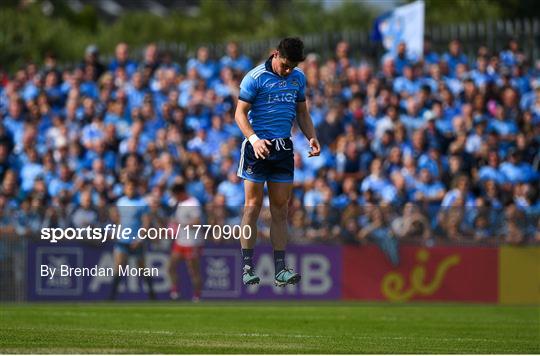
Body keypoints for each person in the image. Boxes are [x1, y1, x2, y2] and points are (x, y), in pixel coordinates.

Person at [235, 37, 320, 286]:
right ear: (275, 55)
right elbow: (239, 113)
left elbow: (302, 113)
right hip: (257, 148)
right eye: (285, 65)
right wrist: (253, 139)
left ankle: (280, 270)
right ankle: (247, 267)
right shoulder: (255, 77)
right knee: (252, 206)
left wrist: (312, 137)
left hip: (283, 148)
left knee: (280, 210)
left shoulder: (297, 77)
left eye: (292, 66)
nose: (287, 70)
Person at [109, 179, 155, 300]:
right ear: (125, 189)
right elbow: (118, 220)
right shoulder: (120, 202)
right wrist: (116, 233)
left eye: (132, 187)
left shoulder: (142, 203)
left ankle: (152, 294)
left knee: (142, 269)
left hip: (136, 242)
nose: (130, 190)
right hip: (122, 241)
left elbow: (146, 223)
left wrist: (139, 239)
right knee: (118, 268)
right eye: (128, 187)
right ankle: (112, 296)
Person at [168, 181, 203, 302]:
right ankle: (175, 292)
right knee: (171, 267)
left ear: (181, 193)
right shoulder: (178, 202)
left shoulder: (193, 203)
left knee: (193, 270)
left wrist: (181, 224)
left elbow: (197, 222)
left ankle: (197, 295)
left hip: (192, 242)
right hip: (180, 241)